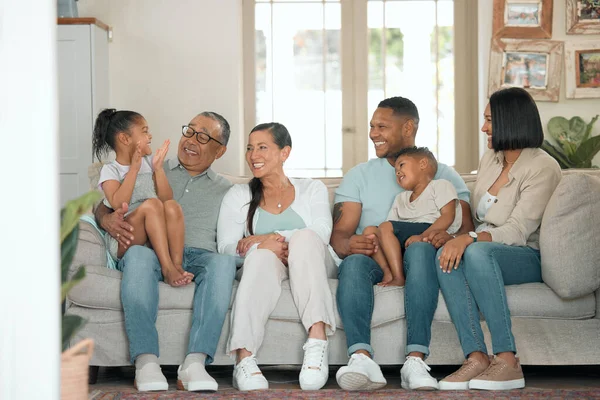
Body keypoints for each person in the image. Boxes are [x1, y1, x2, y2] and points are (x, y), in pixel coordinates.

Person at [331, 96, 473, 391]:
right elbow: (340, 235)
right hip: (374, 256)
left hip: (424, 255)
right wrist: (351, 244)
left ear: (408, 127)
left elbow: (466, 230)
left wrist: (446, 235)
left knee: (420, 250)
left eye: (381, 126)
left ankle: (416, 360)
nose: (373, 134)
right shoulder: (359, 175)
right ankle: (360, 357)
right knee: (354, 263)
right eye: (371, 126)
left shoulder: (444, 176)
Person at [95, 112, 237, 392]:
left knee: (223, 263)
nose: (191, 140)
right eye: (189, 131)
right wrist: (104, 218)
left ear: (220, 150)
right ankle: (146, 361)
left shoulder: (229, 190)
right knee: (136, 255)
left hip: (199, 256)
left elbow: (244, 228)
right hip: (150, 252)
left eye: (203, 136)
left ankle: (195, 362)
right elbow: (107, 200)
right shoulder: (154, 165)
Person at [435, 87, 561, 391]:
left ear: (511, 121)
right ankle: (476, 357)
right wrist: (456, 236)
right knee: (443, 254)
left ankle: (507, 359)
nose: (483, 128)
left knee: (476, 253)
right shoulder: (491, 158)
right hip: (486, 244)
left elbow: (518, 230)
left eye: (490, 120)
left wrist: (471, 239)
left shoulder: (543, 167)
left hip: (525, 254)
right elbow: (480, 216)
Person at [217, 122, 336, 392]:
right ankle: (244, 357)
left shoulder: (312, 188)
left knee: (305, 238)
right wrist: (263, 246)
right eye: (249, 148)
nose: (253, 155)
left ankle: (317, 342)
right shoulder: (239, 195)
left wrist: (266, 237)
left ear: (285, 153)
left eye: (262, 147)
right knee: (259, 257)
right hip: (269, 262)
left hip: (312, 258)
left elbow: (321, 233)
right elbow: (225, 246)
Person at [93, 108, 192, 287]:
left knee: (172, 206)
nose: (150, 136)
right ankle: (167, 268)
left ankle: (176, 265)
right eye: (145, 131)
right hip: (124, 238)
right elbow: (117, 203)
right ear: (125, 139)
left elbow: (166, 198)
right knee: (152, 205)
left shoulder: (149, 163)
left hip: (150, 230)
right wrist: (133, 170)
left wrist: (158, 169)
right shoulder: (111, 170)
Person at [362, 146, 462, 287]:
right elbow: (387, 229)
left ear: (422, 164)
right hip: (404, 239)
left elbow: (448, 216)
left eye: (402, 165)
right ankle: (388, 271)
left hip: (430, 229)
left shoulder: (440, 186)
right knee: (370, 232)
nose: (398, 172)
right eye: (395, 171)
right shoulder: (400, 198)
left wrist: (423, 236)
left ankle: (398, 277)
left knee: (385, 227)